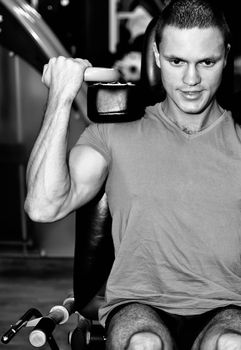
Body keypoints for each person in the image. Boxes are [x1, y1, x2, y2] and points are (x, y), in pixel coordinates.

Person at [24, 0, 241, 349]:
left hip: (231, 304)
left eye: (207, 62)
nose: (191, 79)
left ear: (226, 57)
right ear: (156, 56)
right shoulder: (113, 133)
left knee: (232, 343)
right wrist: (61, 98)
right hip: (140, 304)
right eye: (176, 61)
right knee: (144, 344)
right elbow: (43, 207)